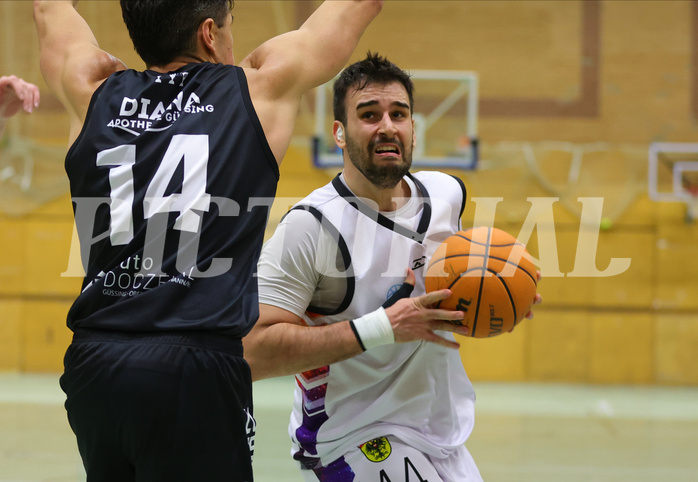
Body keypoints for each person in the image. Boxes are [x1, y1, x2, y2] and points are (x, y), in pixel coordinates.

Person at [33, 1, 382, 480]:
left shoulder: (90, 90)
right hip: (194, 366)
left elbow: (49, 11)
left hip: (96, 365)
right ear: (209, 34)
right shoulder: (256, 90)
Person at [244, 53, 542, 481]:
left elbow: (449, 290)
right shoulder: (311, 227)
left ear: (413, 128)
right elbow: (251, 353)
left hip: (439, 431)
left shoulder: (446, 194)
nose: (387, 126)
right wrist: (382, 326)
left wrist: (498, 298)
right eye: (369, 114)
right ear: (339, 134)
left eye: (398, 114)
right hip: (352, 436)